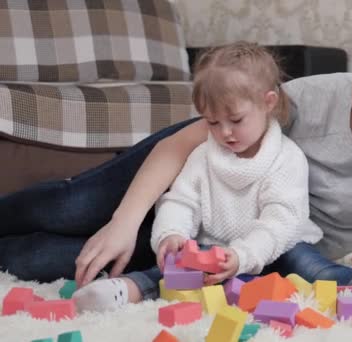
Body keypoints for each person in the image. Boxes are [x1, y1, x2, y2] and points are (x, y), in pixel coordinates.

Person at [0, 6, 352, 308]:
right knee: (74, 207)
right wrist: (125, 221)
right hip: (200, 163)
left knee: (55, 259)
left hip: (240, 241)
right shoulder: (316, 97)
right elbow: (181, 145)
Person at [70, 42, 323, 311]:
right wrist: (172, 234)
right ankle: (126, 289)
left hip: (276, 250)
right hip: (215, 253)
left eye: (236, 120)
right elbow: (180, 201)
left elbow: (280, 222)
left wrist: (241, 255)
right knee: (181, 269)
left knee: (308, 263)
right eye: (212, 122)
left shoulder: (287, 158)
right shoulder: (203, 155)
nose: (225, 132)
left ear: (268, 102)